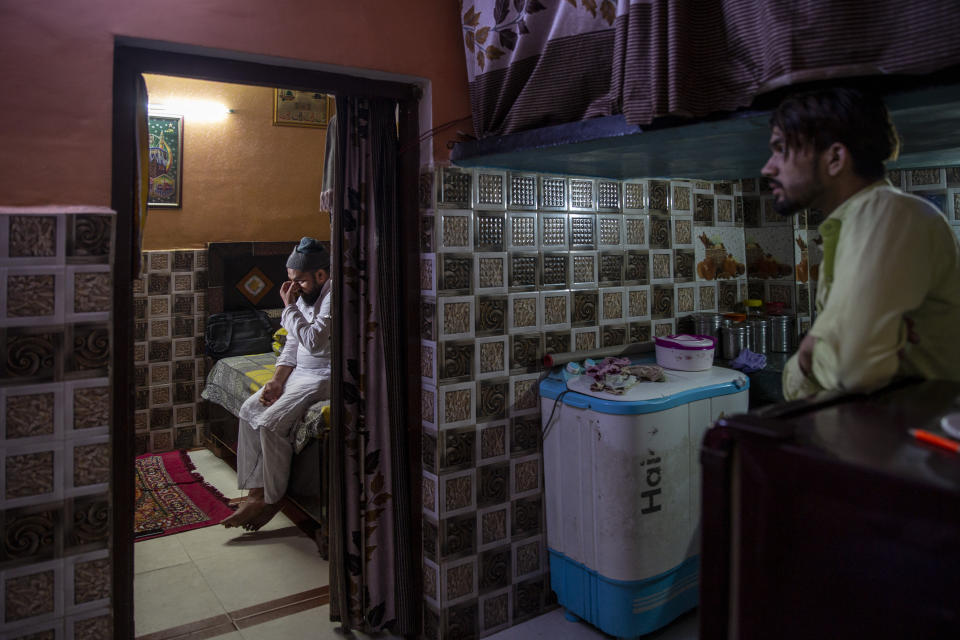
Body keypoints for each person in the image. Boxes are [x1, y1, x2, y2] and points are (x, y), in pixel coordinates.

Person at [760, 87, 960, 401]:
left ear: (836, 158)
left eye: (781, 148)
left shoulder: (888, 215)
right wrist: (816, 349)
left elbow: (851, 370)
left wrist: (810, 353)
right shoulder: (853, 222)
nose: (768, 167)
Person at [222, 237, 332, 530]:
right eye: (290, 282)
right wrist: (276, 380)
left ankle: (272, 499)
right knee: (248, 410)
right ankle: (255, 493)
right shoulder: (305, 298)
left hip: (323, 377)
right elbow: (293, 344)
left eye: (300, 281)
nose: (293, 288)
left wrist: (288, 306)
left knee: (270, 424)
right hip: (299, 375)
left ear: (321, 276)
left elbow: (315, 343)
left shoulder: (334, 297)